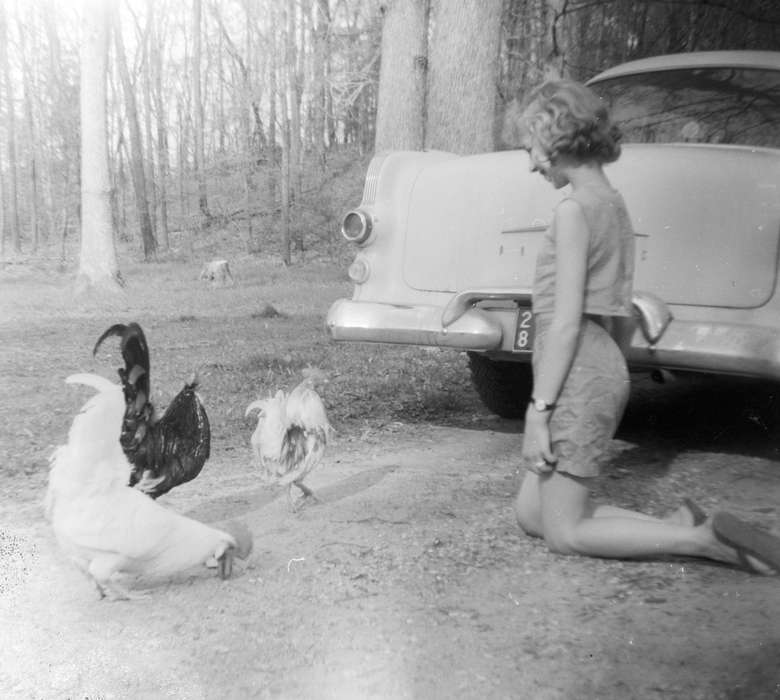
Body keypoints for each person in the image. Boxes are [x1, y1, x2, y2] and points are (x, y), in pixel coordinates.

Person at [510, 79, 780, 575]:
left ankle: (703, 540)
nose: (531, 163)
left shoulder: (573, 211)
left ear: (555, 138)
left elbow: (567, 323)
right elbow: (612, 315)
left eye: (531, 148)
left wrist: (539, 411)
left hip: (575, 375)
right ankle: (682, 522)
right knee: (532, 513)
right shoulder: (612, 204)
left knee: (565, 535)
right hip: (595, 369)